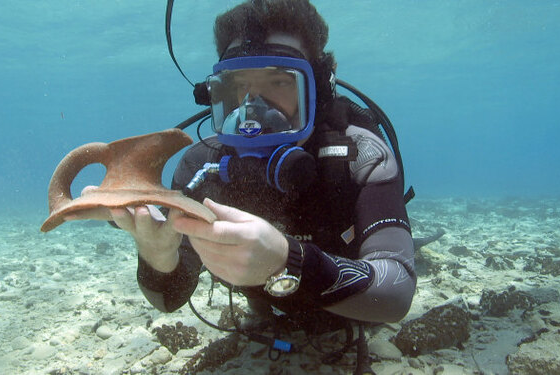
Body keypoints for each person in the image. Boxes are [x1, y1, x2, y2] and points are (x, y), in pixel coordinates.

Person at [76, 0, 415, 369]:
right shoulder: (200, 166)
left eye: (279, 83)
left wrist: (290, 261)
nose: (253, 110)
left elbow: (395, 295)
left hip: (346, 311)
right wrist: (159, 258)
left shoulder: (360, 155)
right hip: (264, 312)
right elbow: (168, 299)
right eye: (238, 87)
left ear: (316, 88)